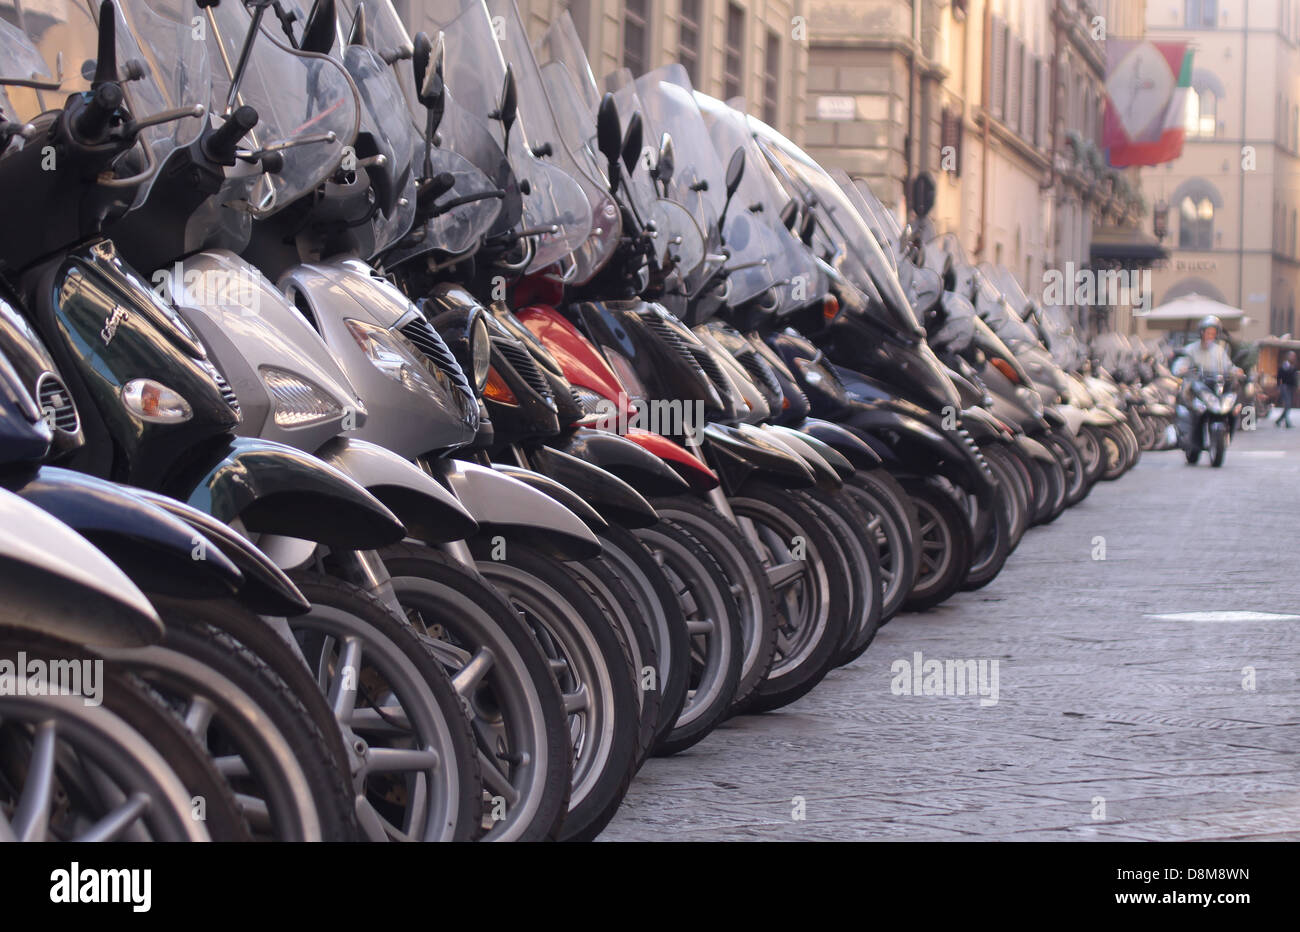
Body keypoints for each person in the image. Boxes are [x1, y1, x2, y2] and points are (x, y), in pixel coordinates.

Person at [1278, 350, 1297, 428]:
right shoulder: (1285, 365)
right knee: (1287, 405)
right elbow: (1279, 377)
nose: (1293, 358)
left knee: (1288, 405)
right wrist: (1279, 386)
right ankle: (1287, 422)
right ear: (1288, 356)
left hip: (1291, 387)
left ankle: (1279, 420)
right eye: (1292, 356)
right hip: (1285, 387)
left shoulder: (1293, 366)